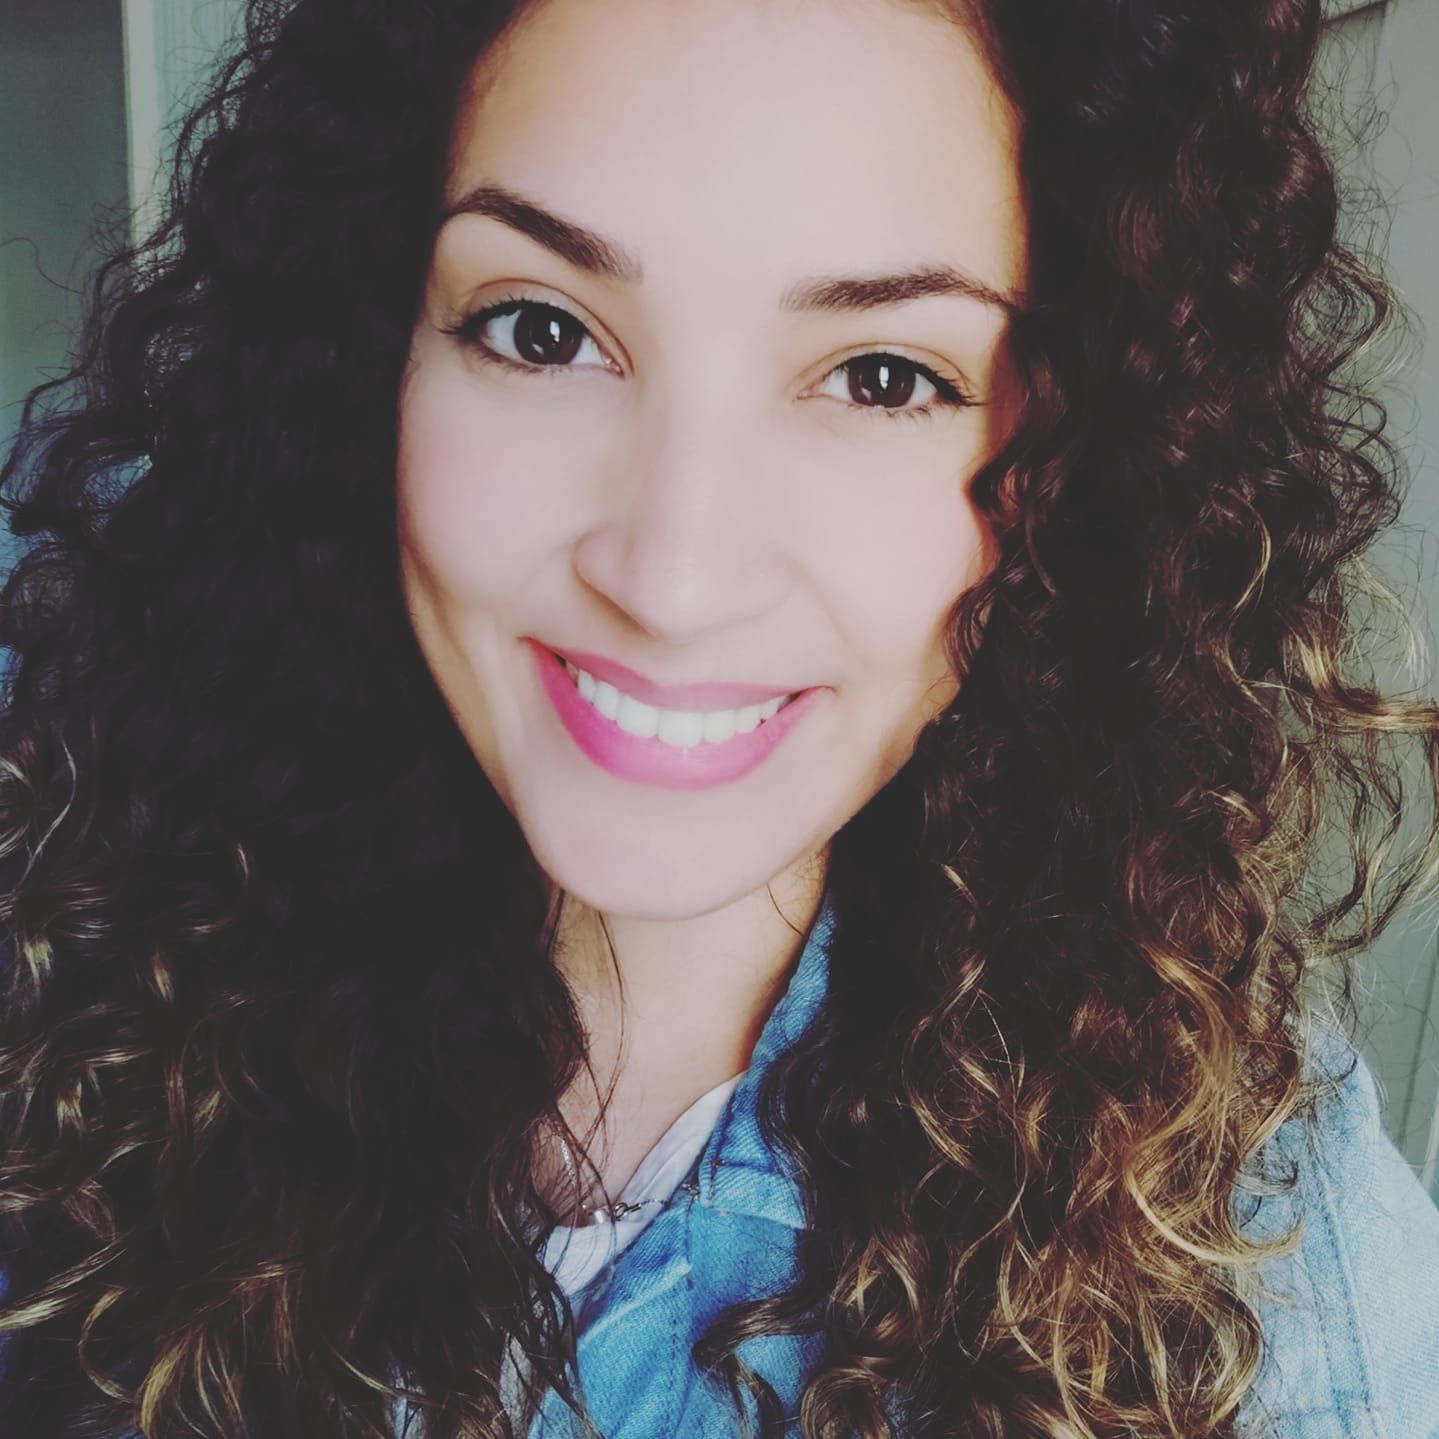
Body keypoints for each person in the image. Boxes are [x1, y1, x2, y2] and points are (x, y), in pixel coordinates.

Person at [1, 0, 1437, 1435]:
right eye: (542, 331)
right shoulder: (64, 865)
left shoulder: (1265, 1252)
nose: (671, 580)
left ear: (1077, 459)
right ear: (373, 354)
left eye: (881, 378)